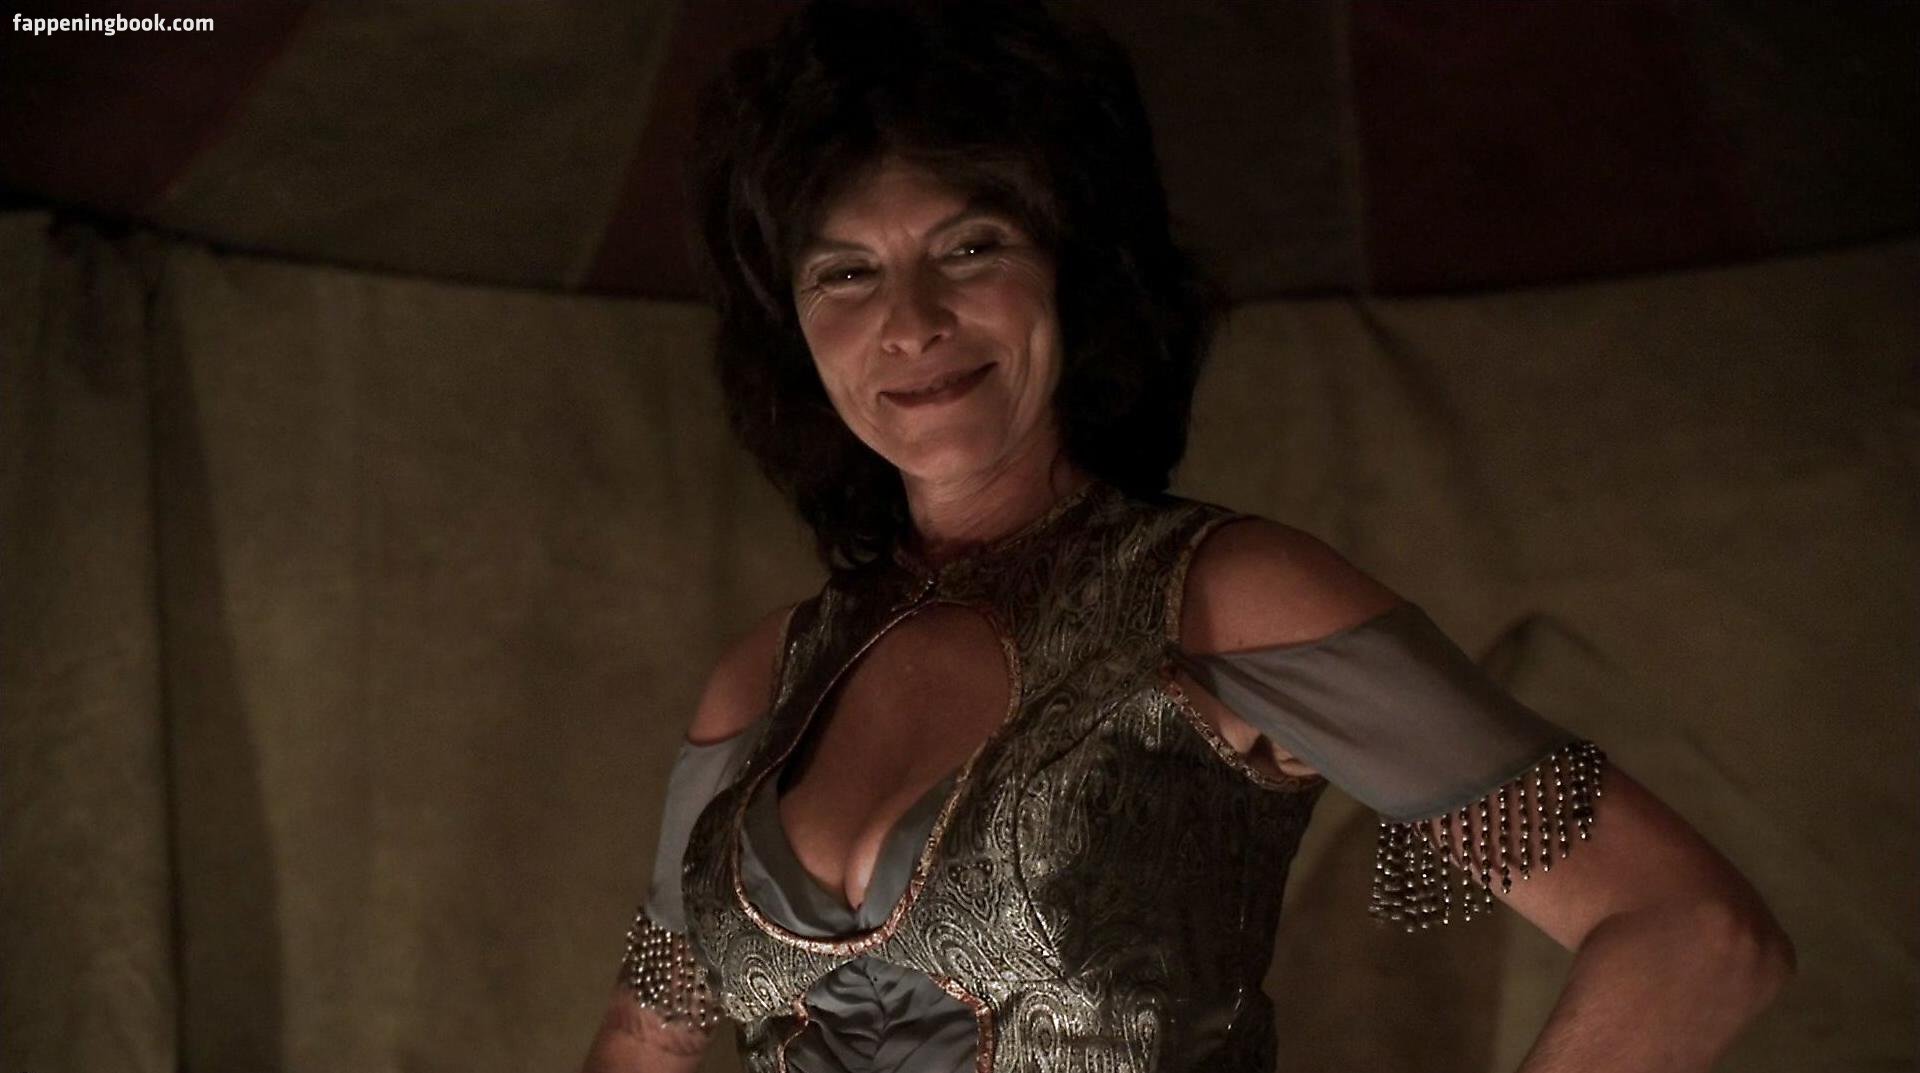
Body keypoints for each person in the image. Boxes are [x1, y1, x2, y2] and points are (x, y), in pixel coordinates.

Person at [581, 3, 1794, 1070]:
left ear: (1073, 271)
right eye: (845, 274)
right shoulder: (760, 683)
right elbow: (645, 1038)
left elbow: (1692, 932)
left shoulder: (1228, 598)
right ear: (792, 329)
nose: (912, 321)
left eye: (971, 246)